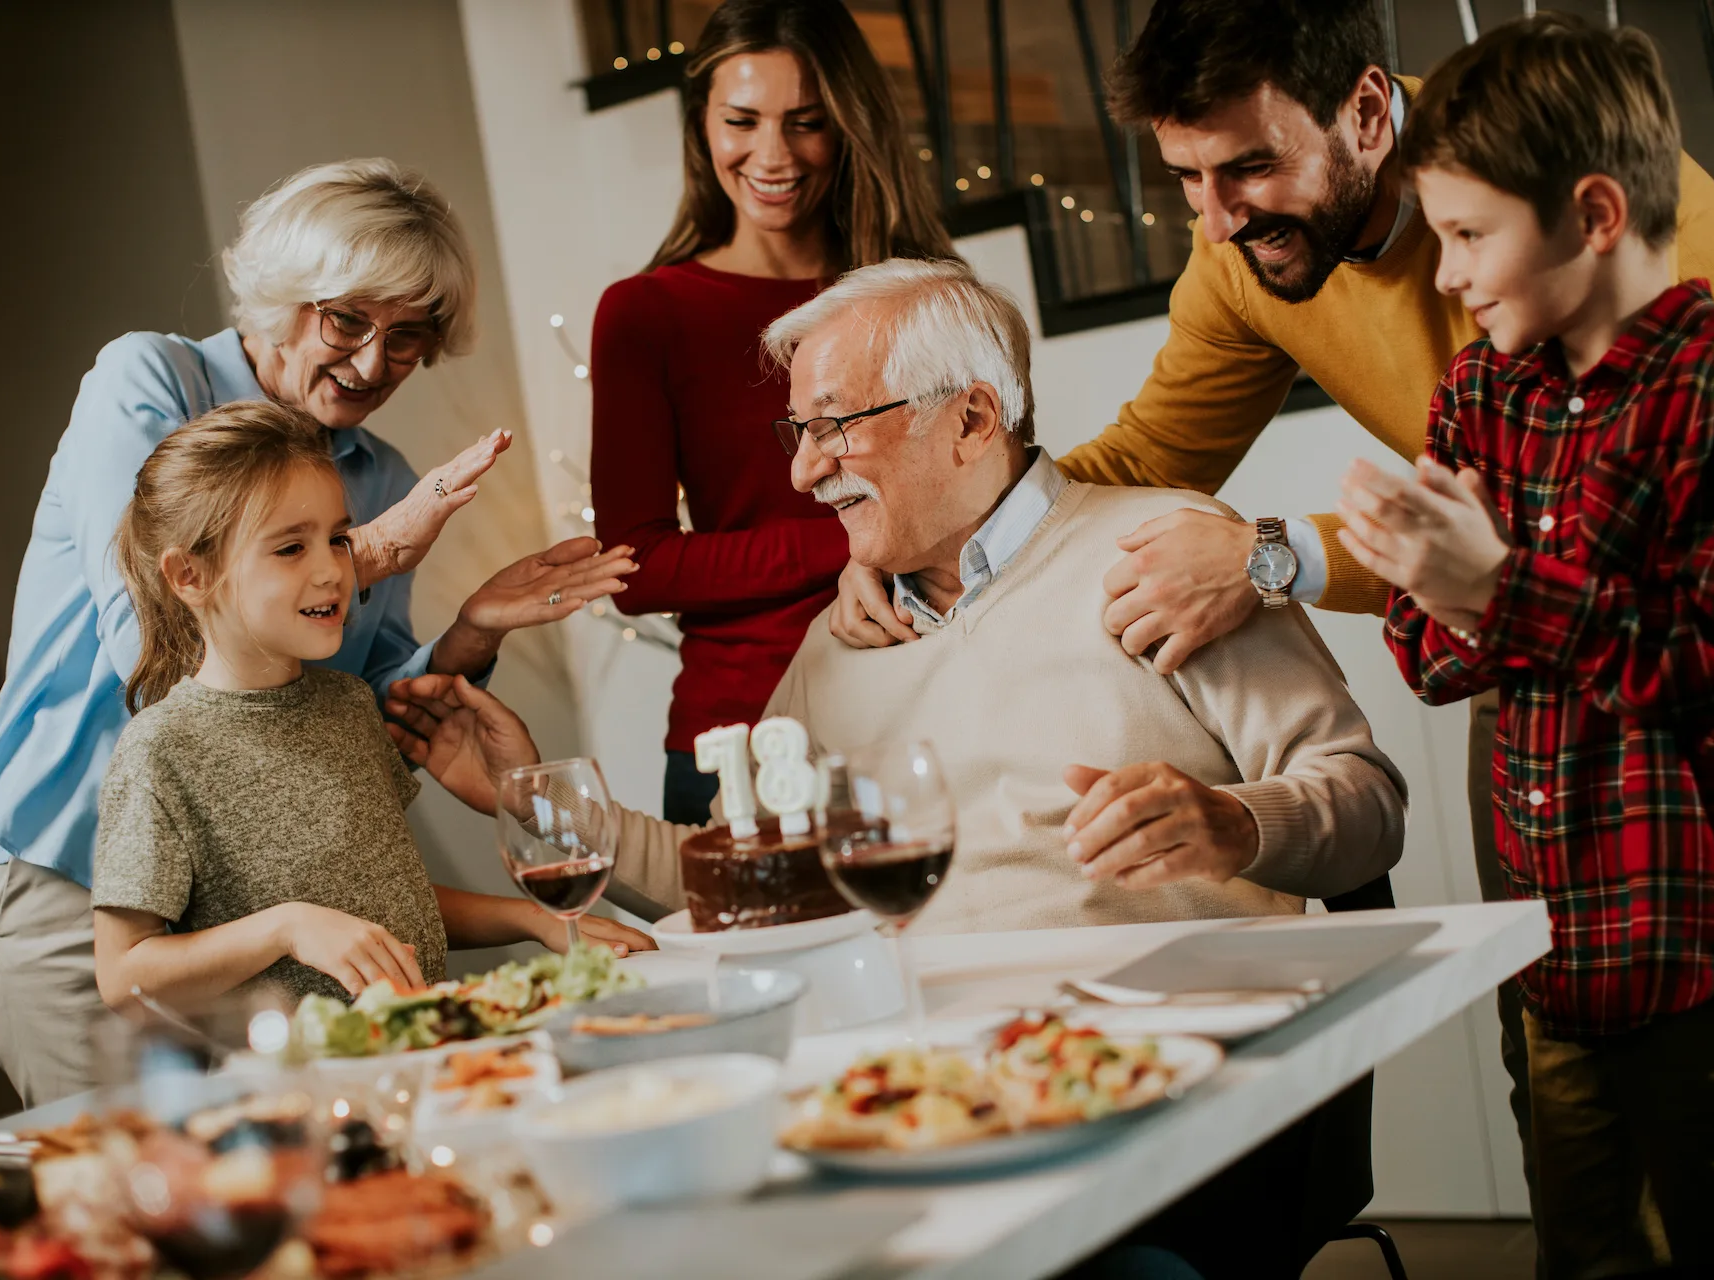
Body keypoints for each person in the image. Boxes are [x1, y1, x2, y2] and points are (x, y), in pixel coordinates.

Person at [824, 0, 1714, 1209]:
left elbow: (1654, 528)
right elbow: (1158, 449)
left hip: (1696, 701)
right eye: (1185, 178)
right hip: (1534, 694)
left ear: (1369, 112)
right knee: (1571, 1095)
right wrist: (922, 525)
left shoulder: (1564, 180)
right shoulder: (1261, 272)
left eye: (1249, 165)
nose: (1214, 219)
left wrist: (1276, 554)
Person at [390, 261, 1406, 1277]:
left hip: (1144, 1090)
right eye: (800, 432)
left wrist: (1236, 822)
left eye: (835, 425)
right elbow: (751, 870)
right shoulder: (842, 640)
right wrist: (546, 808)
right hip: (921, 1101)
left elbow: (1365, 797)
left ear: (970, 418)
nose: (802, 472)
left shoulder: (1168, 560)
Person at [0, 158, 638, 1104]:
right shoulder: (148, 378)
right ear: (283, 296)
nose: (372, 364)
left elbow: (336, 720)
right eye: (347, 320)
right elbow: (158, 655)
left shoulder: (380, 470)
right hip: (79, 873)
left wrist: (472, 631)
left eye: (409, 339)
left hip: (262, 898)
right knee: (128, 1205)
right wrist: (369, 552)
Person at [1339, 18, 1714, 1276]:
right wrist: (1453, 589)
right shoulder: (1477, 397)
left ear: (1596, 212)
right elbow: (1427, 652)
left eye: (1468, 236)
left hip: (1711, 965)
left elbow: (1710, 662)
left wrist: (1500, 590)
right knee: (1582, 1252)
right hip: (1553, 957)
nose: (1448, 274)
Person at [90, 403, 650, 1010]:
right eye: (289, 549)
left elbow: (389, 898)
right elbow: (123, 974)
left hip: (422, 1049)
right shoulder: (161, 750)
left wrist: (535, 919)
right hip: (304, 1085)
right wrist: (286, 928)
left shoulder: (349, 705)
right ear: (189, 575)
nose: (333, 569)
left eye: (336, 539)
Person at [590, 0, 955, 825]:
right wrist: (850, 539)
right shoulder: (648, 314)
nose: (773, 155)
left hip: (925, 701)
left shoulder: (924, 292)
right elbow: (635, 568)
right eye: (742, 121)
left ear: (849, 126)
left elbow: (983, 497)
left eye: (806, 123)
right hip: (743, 739)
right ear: (702, 128)